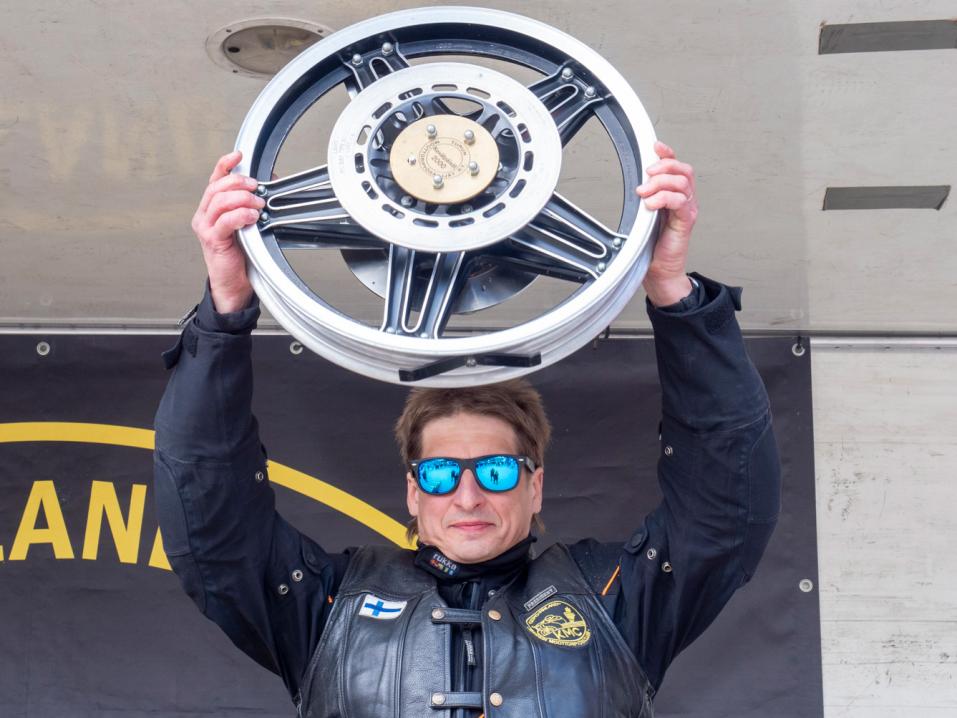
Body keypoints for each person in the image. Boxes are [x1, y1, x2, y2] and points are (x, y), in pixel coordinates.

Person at [153, 141, 781, 717]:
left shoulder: (614, 598)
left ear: (535, 487)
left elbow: (724, 510)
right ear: (412, 492)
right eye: (440, 474)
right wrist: (224, 309)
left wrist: (673, 292)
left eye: (497, 470)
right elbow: (212, 522)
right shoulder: (328, 605)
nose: (469, 495)